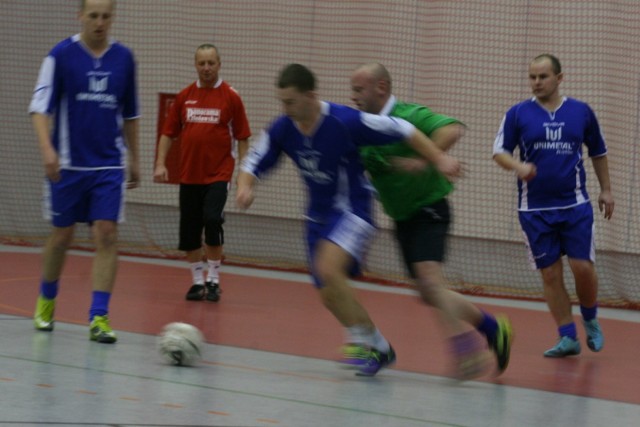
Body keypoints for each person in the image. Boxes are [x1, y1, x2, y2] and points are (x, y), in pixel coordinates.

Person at [236, 63, 461, 377]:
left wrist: (438, 158)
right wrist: (246, 187)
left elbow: (403, 129)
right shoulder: (283, 128)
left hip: (353, 210)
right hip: (317, 218)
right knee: (329, 292)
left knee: (329, 269)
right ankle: (378, 345)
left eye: (290, 101)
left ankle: (357, 340)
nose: (285, 108)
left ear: (310, 95)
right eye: (282, 102)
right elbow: (253, 159)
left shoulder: (344, 121)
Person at [350, 63, 513, 378]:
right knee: (428, 292)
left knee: (429, 280)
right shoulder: (362, 128)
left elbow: (452, 128)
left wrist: (425, 159)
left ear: (380, 87)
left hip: (429, 208)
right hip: (401, 217)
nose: (353, 96)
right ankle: (494, 329)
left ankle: (464, 349)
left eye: (359, 90)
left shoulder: (408, 116)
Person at [29, 0, 140, 343]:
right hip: (69, 165)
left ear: (113, 18)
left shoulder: (124, 59)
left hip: (108, 165)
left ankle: (99, 317)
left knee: (106, 234)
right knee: (62, 236)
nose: (100, 23)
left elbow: (131, 114)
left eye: (106, 16)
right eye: (93, 16)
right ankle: (47, 300)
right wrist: (47, 149)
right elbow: (39, 108)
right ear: (80, 16)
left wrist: (134, 157)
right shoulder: (60, 55)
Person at [493, 54, 614, 358]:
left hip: (575, 205)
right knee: (550, 274)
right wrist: (518, 167)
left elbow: (598, 151)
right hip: (534, 210)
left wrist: (607, 190)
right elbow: (499, 152)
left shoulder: (581, 112)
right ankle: (567, 336)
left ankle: (590, 318)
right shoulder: (518, 114)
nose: (536, 82)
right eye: (532, 77)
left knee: (582, 267)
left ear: (559, 78)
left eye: (543, 77)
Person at [154, 44, 251, 302]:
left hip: (218, 174)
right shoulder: (185, 96)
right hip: (189, 175)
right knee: (189, 230)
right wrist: (160, 163)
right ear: (195, 65)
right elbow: (168, 133)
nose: (206, 68)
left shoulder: (231, 97)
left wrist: (244, 173)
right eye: (201, 63)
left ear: (219, 64)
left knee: (212, 220)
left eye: (211, 63)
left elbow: (242, 137)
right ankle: (197, 281)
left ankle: (214, 278)